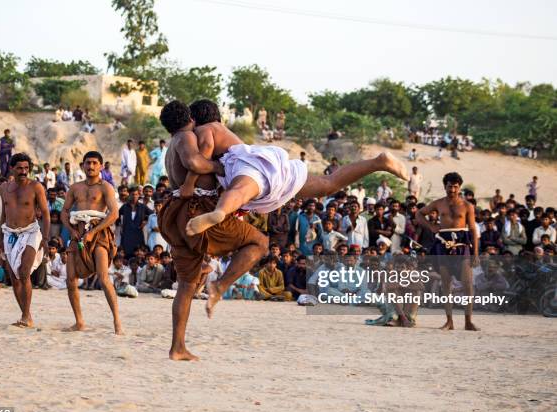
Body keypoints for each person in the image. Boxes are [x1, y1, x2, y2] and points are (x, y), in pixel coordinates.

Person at [182, 100, 408, 236]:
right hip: (273, 168)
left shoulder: (205, 129)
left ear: (195, 118)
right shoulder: (224, 129)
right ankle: (378, 162)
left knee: (239, 192)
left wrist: (188, 185)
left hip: (246, 165)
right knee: (327, 185)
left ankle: (219, 212)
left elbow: (199, 163)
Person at [157, 101, 268, 360]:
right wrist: (220, 167)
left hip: (176, 212)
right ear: (190, 118)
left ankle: (178, 347)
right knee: (260, 243)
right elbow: (195, 162)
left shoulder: (172, 143)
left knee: (186, 283)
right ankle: (220, 285)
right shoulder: (186, 136)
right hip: (196, 209)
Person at [60, 151, 122, 334]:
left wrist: (93, 232)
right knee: (71, 280)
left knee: (103, 278)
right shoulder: (75, 187)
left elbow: (114, 213)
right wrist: (72, 231)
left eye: (95, 163)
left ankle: (117, 321)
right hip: (77, 232)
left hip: (99, 233)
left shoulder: (106, 188)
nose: (91, 166)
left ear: (101, 166)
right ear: (83, 165)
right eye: (88, 163)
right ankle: (79, 321)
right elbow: (64, 211)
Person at [416, 172, 479, 331]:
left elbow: (472, 230)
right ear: (445, 186)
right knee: (446, 283)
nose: (452, 189)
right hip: (443, 243)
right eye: (450, 186)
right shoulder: (438, 203)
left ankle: (468, 321)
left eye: (456, 187)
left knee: (467, 284)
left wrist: (475, 253)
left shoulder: (467, 206)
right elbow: (419, 214)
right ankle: (449, 321)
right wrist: (430, 226)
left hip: (462, 244)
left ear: (459, 188)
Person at [0, 153, 51, 328]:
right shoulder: (4, 188)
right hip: (9, 233)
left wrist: (45, 238)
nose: (23, 171)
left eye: (26, 168)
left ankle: (25, 315)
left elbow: (45, 213)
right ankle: (26, 315)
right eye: (20, 168)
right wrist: (0, 239)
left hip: (31, 232)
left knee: (24, 272)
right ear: (12, 168)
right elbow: (3, 214)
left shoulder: (36, 187)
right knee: (14, 277)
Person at [119, 187, 149, 258]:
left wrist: (146, 220)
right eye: (132, 194)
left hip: (138, 233)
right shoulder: (125, 206)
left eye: (136, 194)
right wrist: (120, 224)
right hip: (127, 234)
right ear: (129, 195)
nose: (134, 196)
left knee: (139, 254)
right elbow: (117, 215)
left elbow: (152, 214)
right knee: (127, 254)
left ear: (139, 195)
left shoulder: (142, 206)